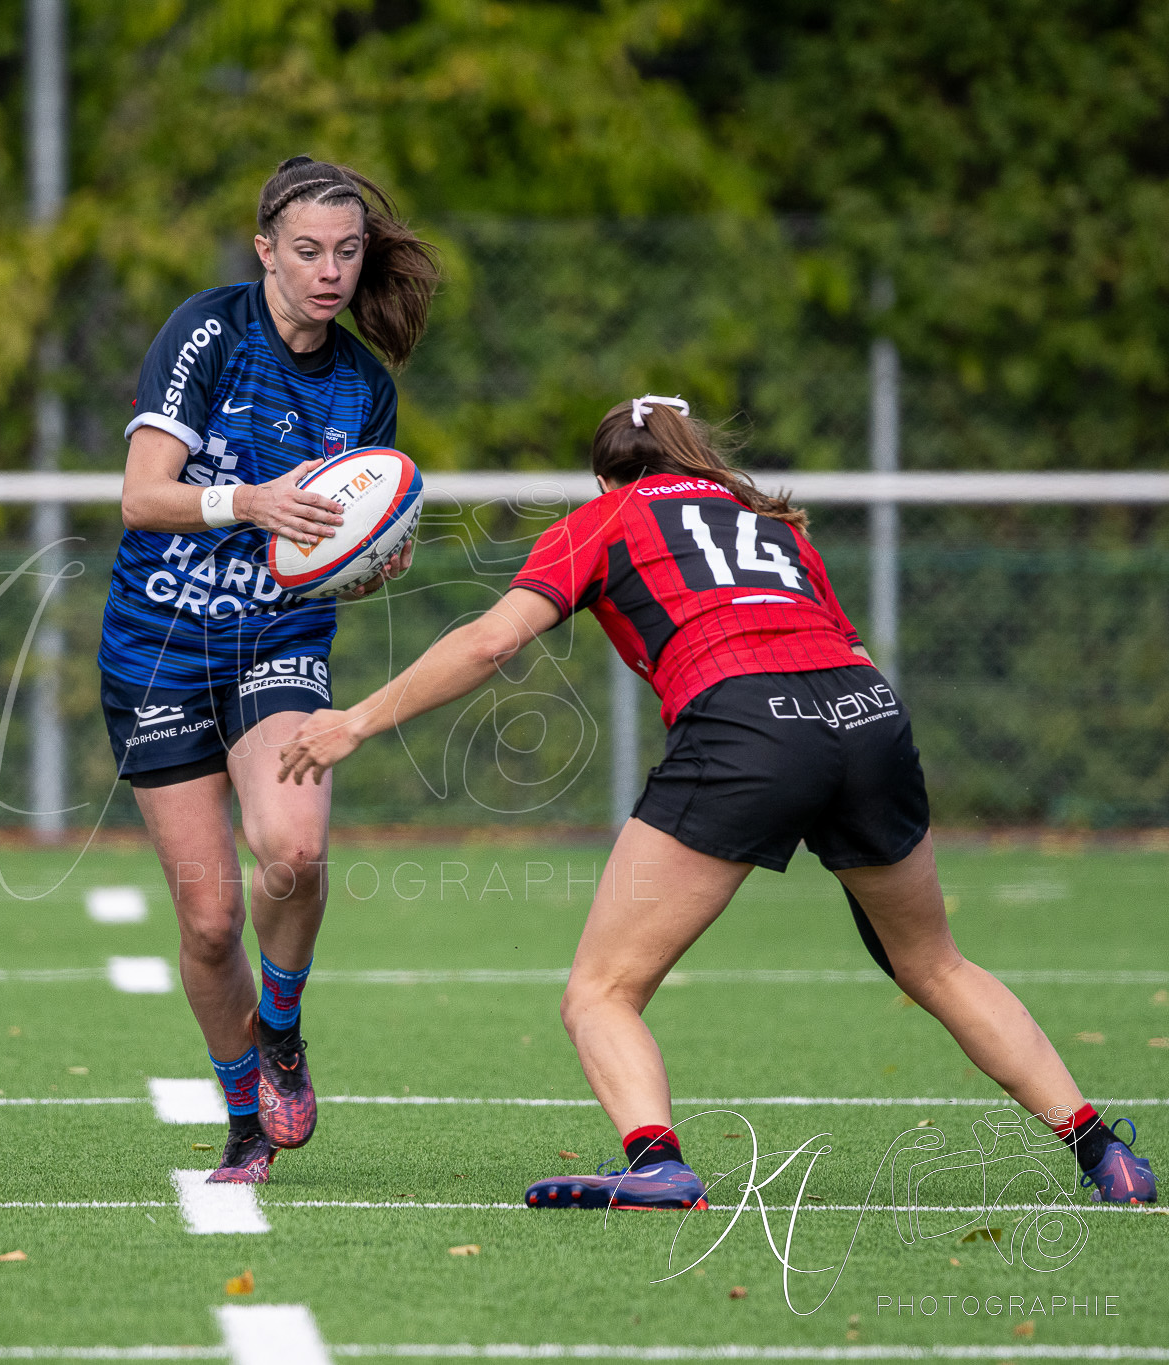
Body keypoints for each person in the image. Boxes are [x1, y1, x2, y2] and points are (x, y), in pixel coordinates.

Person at [277, 396, 1156, 1208]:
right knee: (936, 965)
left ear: (606, 477)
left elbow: (492, 641)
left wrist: (356, 720)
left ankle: (656, 1161)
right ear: (690, 453)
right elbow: (837, 644)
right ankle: (1104, 1152)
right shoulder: (768, 520)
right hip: (866, 712)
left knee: (600, 991)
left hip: (747, 722)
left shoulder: (604, 518)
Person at [100, 156, 438, 1183]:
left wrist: (368, 562)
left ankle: (279, 1027)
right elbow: (140, 497)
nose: (329, 271)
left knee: (291, 849)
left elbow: (323, 559)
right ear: (265, 252)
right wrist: (249, 500)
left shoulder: (363, 388)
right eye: (307, 251)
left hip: (275, 642)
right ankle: (246, 1121)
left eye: (347, 252)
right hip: (156, 648)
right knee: (210, 924)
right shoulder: (207, 332)